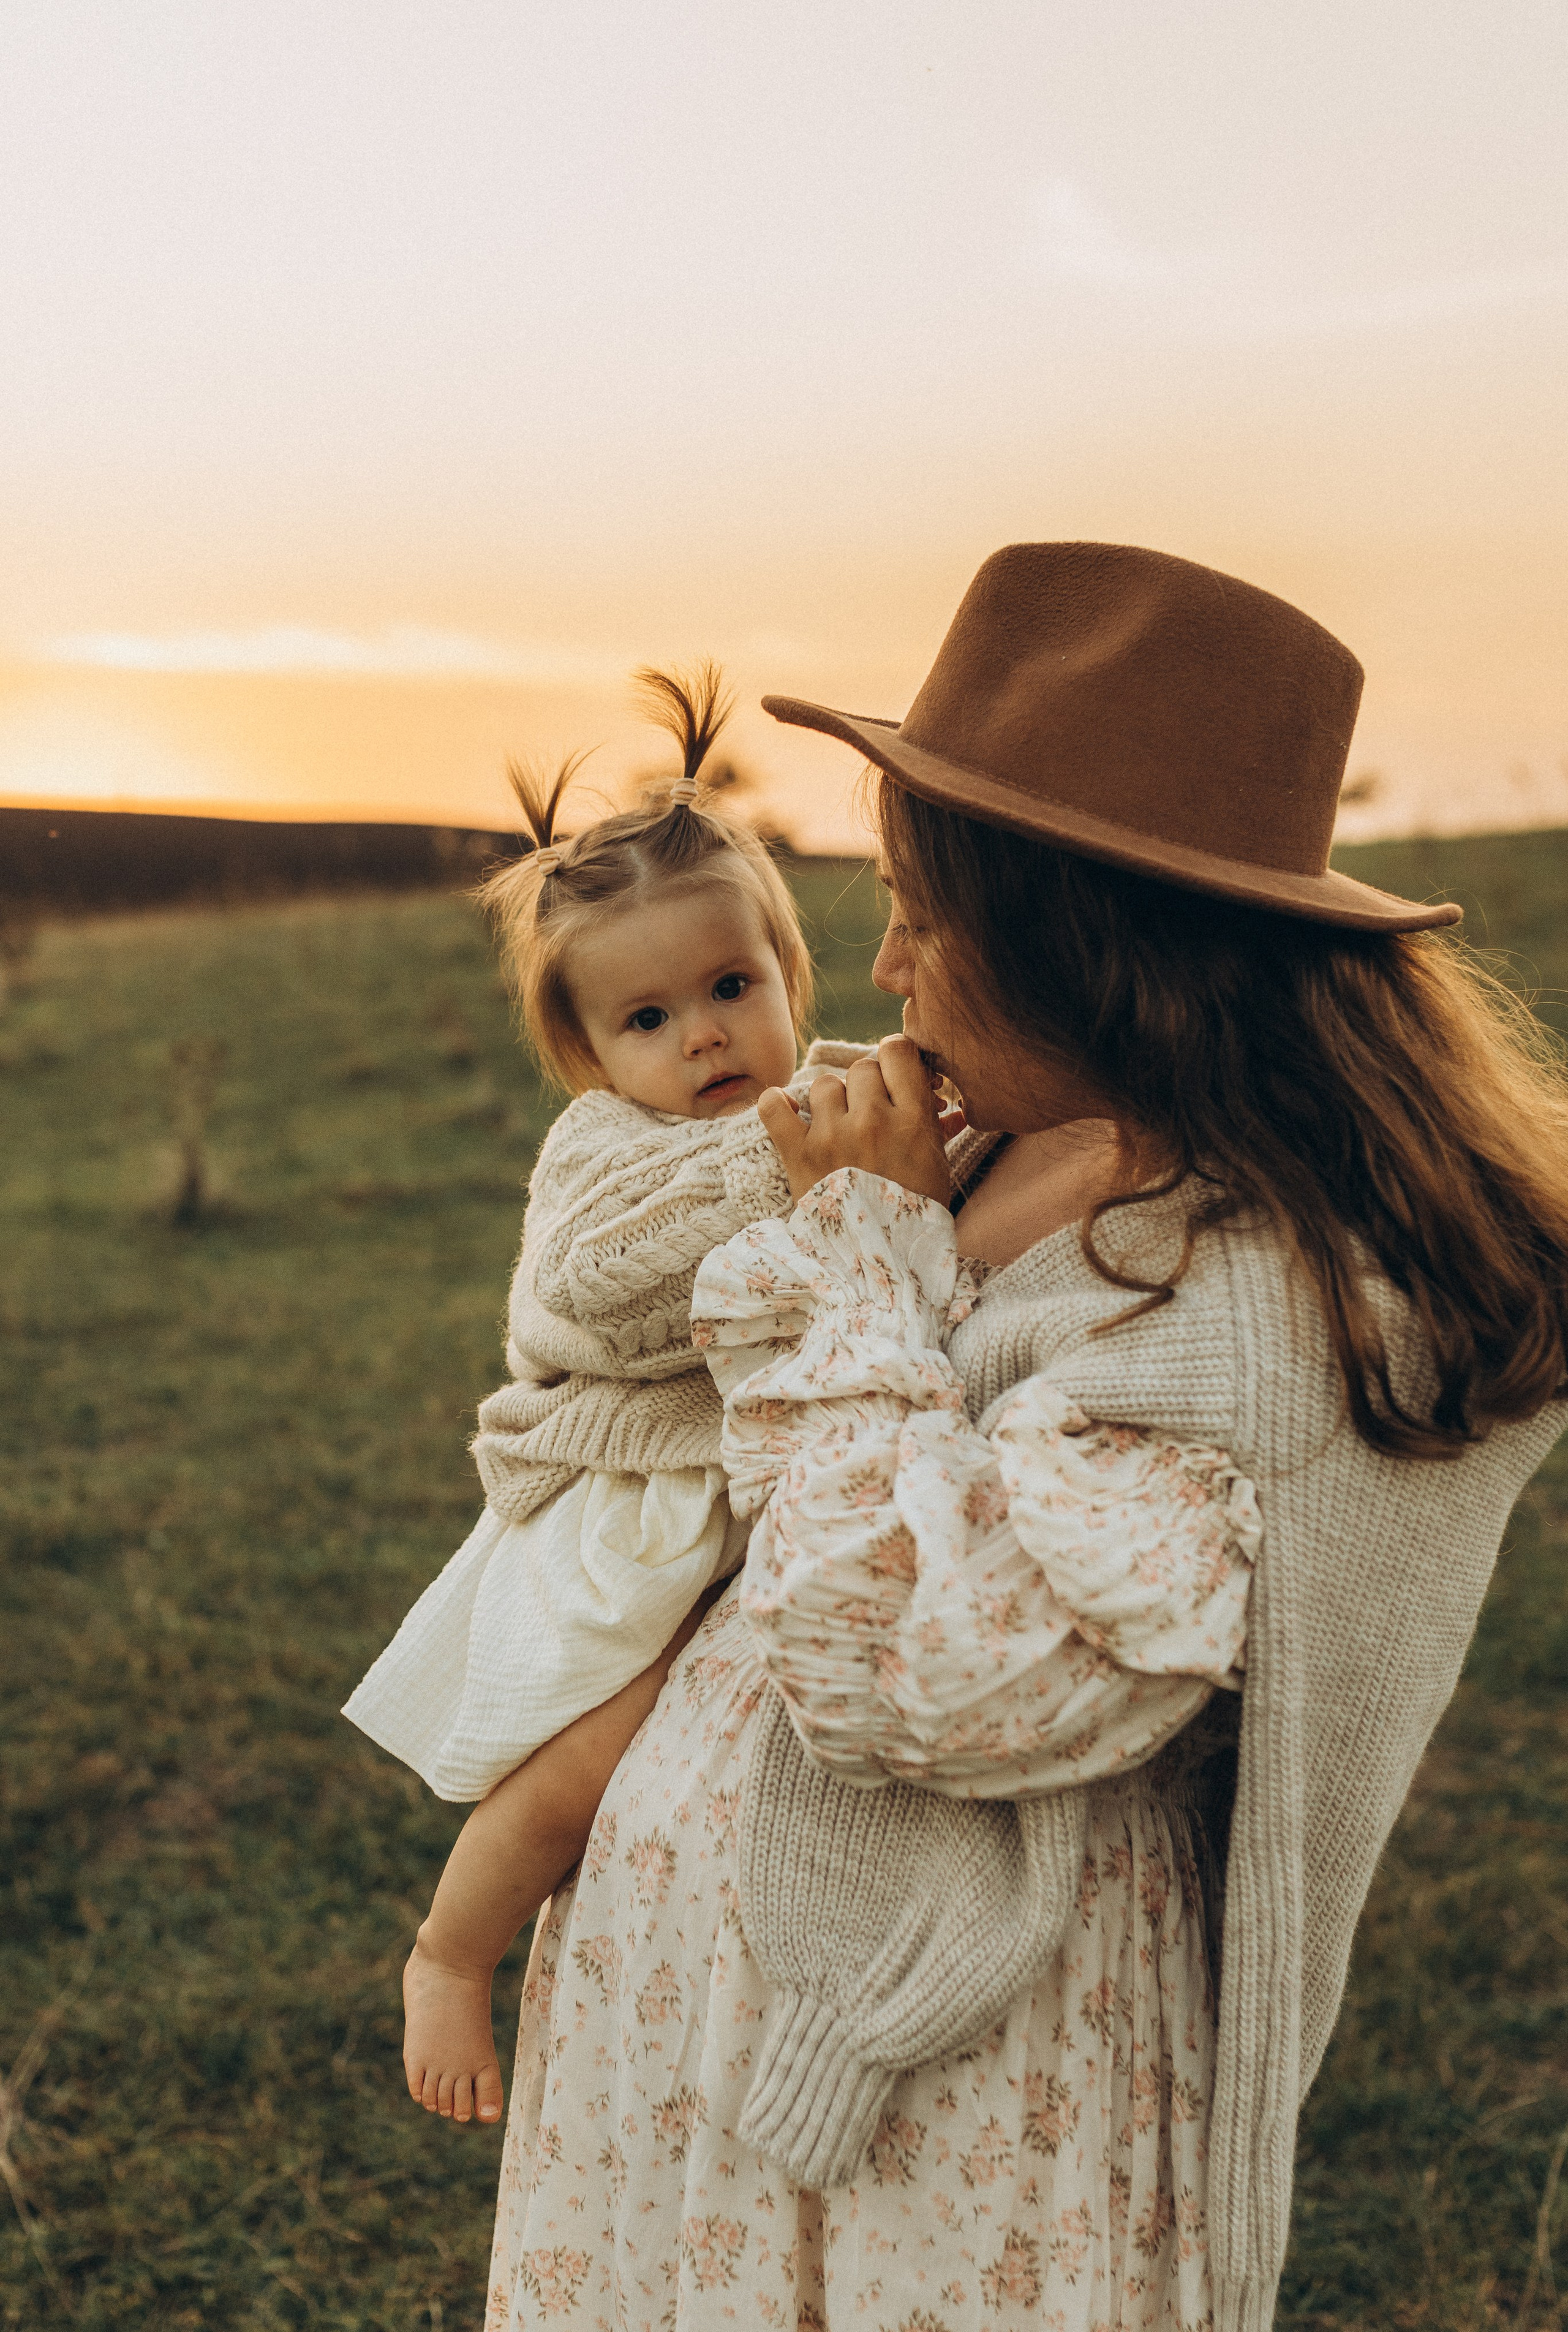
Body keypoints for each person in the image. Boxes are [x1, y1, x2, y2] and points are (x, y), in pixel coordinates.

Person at [483, 543, 1568, 2332]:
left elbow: (931, 1670)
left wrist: (858, 1255)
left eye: (925, 906)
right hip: (710, 2067)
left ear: (1090, 951)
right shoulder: (1004, 1137)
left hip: (952, 2128)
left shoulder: (1280, 1322)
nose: (884, 955)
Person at [342, 665, 876, 2129]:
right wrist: (790, 1157)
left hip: (773, 1484)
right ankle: (451, 1952)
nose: (702, 1036)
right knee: (602, 1745)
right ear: (587, 1053)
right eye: (648, 1019)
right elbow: (596, 1290)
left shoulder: (833, 1093)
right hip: (639, 1493)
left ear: (783, 975)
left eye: (728, 989)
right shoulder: (606, 1153)